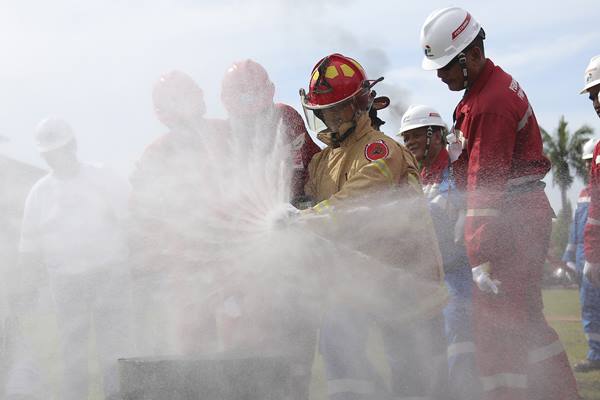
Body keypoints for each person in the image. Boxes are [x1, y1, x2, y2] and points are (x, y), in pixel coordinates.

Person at [419, 7, 579, 400]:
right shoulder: (481, 93)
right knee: (517, 323)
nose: (441, 75)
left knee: (505, 325)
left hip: (511, 223)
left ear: (471, 55)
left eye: (446, 66)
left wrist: (477, 253)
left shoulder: (489, 103)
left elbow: (485, 188)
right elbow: (471, 170)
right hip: (514, 219)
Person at [300, 53, 448, 400]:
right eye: (323, 111)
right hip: (360, 289)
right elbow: (310, 201)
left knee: (415, 383)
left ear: (357, 106)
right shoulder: (323, 161)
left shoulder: (381, 152)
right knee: (342, 359)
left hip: (410, 287)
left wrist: (301, 221)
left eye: (335, 109)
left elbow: (352, 206)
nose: (328, 118)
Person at [217, 59, 322, 400]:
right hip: (248, 265)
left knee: (297, 349)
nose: (252, 123)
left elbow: (315, 172)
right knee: (249, 351)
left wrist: (302, 209)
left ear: (269, 96)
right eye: (243, 117)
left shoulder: (288, 119)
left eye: (258, 113)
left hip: (296, 258)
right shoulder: (222, 143)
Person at [19, 117, 132, 400]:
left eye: (61, 149)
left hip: (110, 275)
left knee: (116, 350)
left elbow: (132, 223)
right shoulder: (39, 193)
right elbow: (29, 247)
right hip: (66, 282)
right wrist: (26, 287)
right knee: (73, 353)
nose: (57, 158)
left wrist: (139, 264)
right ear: (44, 156)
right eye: (50, 154)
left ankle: (117, 396)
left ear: (74, 146)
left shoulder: (103, 177)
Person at [129, 70, 228, 355]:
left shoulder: (227, 134)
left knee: (242, 342)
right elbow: (142, 217)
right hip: (184, 270)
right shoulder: (155, 156)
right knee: (193, 346)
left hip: (235, 262)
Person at [399, 104, 481, 400]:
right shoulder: (417, 175)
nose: (408, 143)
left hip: (457, 272)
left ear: (435, 134)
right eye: (405, 137)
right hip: (427, 276)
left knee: (458, 333)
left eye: (414, 135)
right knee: (427, 343)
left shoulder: (455, 167)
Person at [563, 137, 600, 371]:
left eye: (590, 161)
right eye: (586, 162)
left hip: (596, 258)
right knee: (589, 307)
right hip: (583, 261)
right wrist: (569, 258)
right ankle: (595, 355)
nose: (588, 166)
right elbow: (576, 228)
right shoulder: (584, 193)